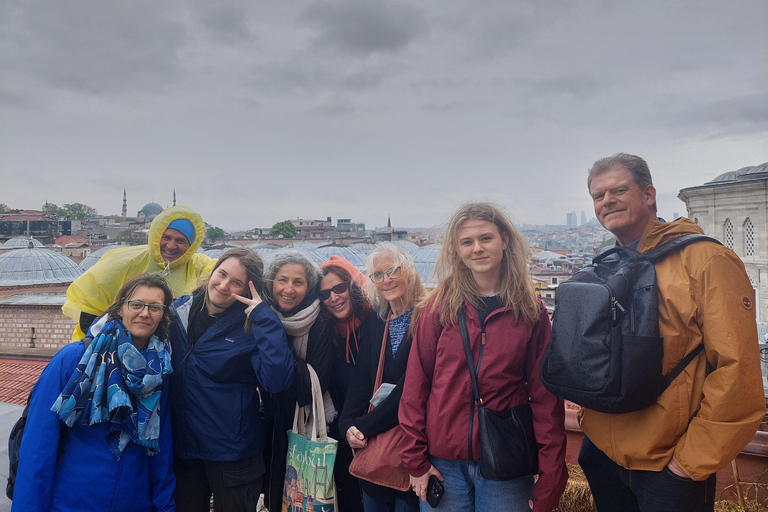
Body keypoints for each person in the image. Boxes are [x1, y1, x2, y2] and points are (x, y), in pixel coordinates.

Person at [576, 153, 766, 512]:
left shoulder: (708, 261)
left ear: (649, 194)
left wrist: (687, 465)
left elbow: (737, 373)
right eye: (598, 196)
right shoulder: (606, 261)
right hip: (602, 452)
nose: (607, 201)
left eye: (618, 190)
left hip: (667, 465)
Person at [398, 202, 568, 512]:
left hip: (506, 461)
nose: (477, 248)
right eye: (467, 242)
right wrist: (415, 461)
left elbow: (545, 397)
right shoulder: (438, 308)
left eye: (485, 238)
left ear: (504, 240)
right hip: (444, 463)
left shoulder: (530, 310)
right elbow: (416, 385)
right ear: (457, 251)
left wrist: (553, 473)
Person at [13, 274, 176, 512]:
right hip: (72, 502)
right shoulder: (75, 359)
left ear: (163, 315)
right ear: (120, 308)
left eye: (154, 307)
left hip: (134, 502)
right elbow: (38, 447)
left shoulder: (159, 371)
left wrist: (164, 507)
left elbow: (161, 451)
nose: (144, 313)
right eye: (136, 304)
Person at [168, 247, 295, 512]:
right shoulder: (178, 311)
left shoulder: (251, 326)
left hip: (232, 454)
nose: (224, 286)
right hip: (184, 450)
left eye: (236, 282)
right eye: (222, 274)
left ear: (248, 290)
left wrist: (265, 319)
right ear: (212, 272)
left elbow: (277, 380)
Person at [339, 244, 426, 512]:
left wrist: (364, 425)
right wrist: (347, 425)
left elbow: (410, 390)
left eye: (392, 270)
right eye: (378, 275)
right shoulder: (377, 322)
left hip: (416, 450)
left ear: (409, 272)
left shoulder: (428, 317)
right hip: (378, 456)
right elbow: (361, 379)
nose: (386, 280)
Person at [62, 205, 216, 339]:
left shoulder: (200, 266)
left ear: (191, 245)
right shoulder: (124, 261)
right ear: (156, 236)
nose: (171, 245)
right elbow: (88, 310)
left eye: (180, 241)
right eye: (166, 237)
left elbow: (226, 277)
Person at [261, 250, 336, 512]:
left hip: (305, 423)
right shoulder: (261, 314)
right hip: (267, 421)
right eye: (282, 280)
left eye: (298, 282)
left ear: (309, 287)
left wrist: (273, 341)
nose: (288, 289)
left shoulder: (320, 323)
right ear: (271, 283)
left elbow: (311, 386)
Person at [319, 255, 378, 512]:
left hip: (381, 430)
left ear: (352, 286)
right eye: (324, 293)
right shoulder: (325, 333)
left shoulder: (379, 321)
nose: (333, 297)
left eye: (339, 288)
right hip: (344, 437)